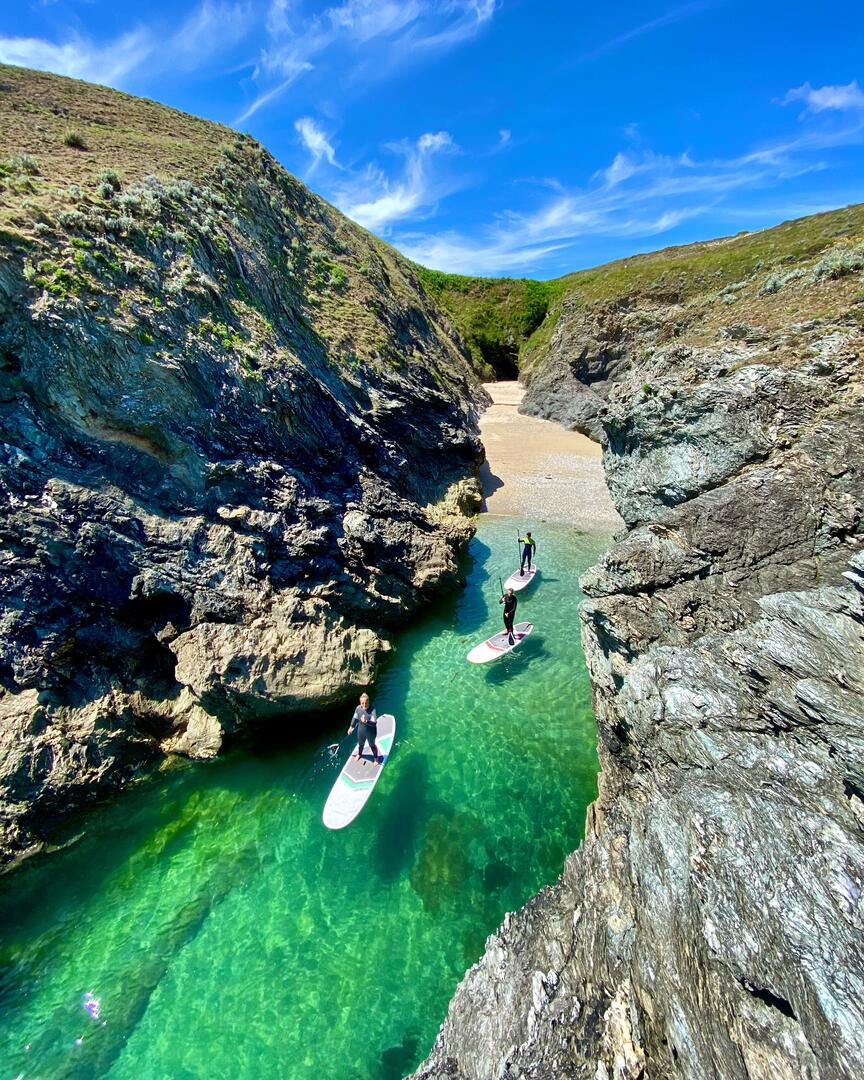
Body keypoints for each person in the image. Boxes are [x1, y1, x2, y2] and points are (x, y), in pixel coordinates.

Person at [347, 692, 380, 766]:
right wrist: (351, 727)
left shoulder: (372, 710)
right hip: (361, 731)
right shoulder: (358, 708)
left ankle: (376, 758)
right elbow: (355, 718)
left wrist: (366, 721)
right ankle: (359, 754)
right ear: (360, 703)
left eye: (366, 703)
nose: (364, 705)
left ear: (368, 702)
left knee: (372, 745)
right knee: (360, 744)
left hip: (371, 732)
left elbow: (374, 723)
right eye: (362, 703)